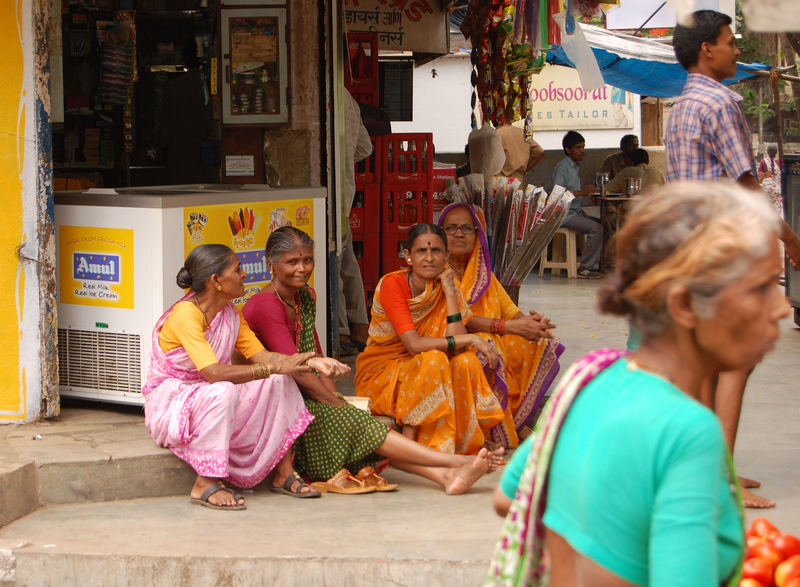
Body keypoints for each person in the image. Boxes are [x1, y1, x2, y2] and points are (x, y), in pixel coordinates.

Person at [488, 181, 788, 585]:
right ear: (684, 304)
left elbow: (509, 497)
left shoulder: (590, 379)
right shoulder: (689, 432)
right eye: (761, 288)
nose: (782, 307)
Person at [242, 226, 504, 494]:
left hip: (301, 394)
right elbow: (297, 368)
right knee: (356, 425)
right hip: (274, 403)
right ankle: (455, 462)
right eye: (292, 262)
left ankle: (446, 477)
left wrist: (339, 400)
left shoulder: (304, 297)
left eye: (307, 260)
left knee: (357, 424)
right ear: (270, 264)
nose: (302, 268)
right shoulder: (266, 304)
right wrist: (336, 404)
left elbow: (316, 357)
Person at [665, 9, 800, 508]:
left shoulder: (680, 106)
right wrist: (789, 238)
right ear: (708, 49)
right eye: (730, 41)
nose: (737, 50)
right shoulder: (721, 102)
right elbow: (746, 186)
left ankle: (710, 471)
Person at [142, 244, 351, 508]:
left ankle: (284, 472)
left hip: (208, 396)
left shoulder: (229, 314)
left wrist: (313, 361)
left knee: (280, 379)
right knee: (225, 389)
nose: (245, 275)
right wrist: (275, 367)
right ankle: (205, 482)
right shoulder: (186, 314)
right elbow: (214, 373)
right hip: (172, 403)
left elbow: (263, 357)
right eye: (237, 270)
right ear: (217, 281)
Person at [355, 223, 507, 455]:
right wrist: (471, 340)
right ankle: (417, 446)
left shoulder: (446, 285)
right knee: (433, 360)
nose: (429, 258)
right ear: (407, 256)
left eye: (436, 251)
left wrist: (449, 291)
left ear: (446, 255)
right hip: (382, 373)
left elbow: (455, 345)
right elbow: (414, 345)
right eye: (421, 251)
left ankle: (463, 443)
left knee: (465, 362)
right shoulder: (392, 284)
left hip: (424, 365)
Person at [437, 203, 564, 447]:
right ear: (440, 234)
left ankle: (514, 422)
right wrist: (509, 327)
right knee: (487, 348)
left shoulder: (485, 275)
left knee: (537, 344)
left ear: (478, 235)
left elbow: (511, 312)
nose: (459, 233)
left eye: (467, 228)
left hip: (488, 339)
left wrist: (533, 324)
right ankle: (486, 431)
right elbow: (463, 320)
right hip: (452, 343)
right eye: (451, 228)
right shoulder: (437, 270)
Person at [337, 88, 373, 355]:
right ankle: (360, 323)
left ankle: (340, 331)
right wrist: (346, 159)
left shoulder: (320, 90)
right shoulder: (348, 97)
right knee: (346, 258)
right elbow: (365, 147)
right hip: (344, 193)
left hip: (328, 194)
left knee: (335, 260)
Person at [552, 131, 603, 279]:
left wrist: (581, 210)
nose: (582, 151)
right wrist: (584, 192)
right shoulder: (563, 168)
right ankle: (586, 268)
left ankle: (597, 263)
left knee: (603, 224)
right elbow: (558, 194)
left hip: (574, 212)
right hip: (564, 214)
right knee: (596, 228)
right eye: (578, 147)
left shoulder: (574, 167)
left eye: (583, 147)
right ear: (568, 150)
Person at [758, 144, 782, 215]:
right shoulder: (780, 162)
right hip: (778, 190)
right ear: (776, 152)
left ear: (767, 152)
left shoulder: (763, 161)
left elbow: (760, 177)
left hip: (767, 190)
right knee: (777, 209)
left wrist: (759, 183)